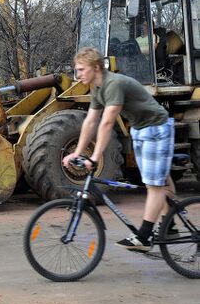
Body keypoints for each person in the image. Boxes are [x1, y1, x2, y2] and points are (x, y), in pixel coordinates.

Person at [62, 47, 175, 252]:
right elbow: (90, 121)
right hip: (140, 130)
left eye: (81, 69)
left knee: (154, 185)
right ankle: (172, 225)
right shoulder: (97, 88)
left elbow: (107, 122)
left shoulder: (113, 83)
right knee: (157, 181)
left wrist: (95, 157)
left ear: (96, 67)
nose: (77, 75)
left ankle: (144, 236)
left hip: (157, 128)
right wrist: (77, 152)